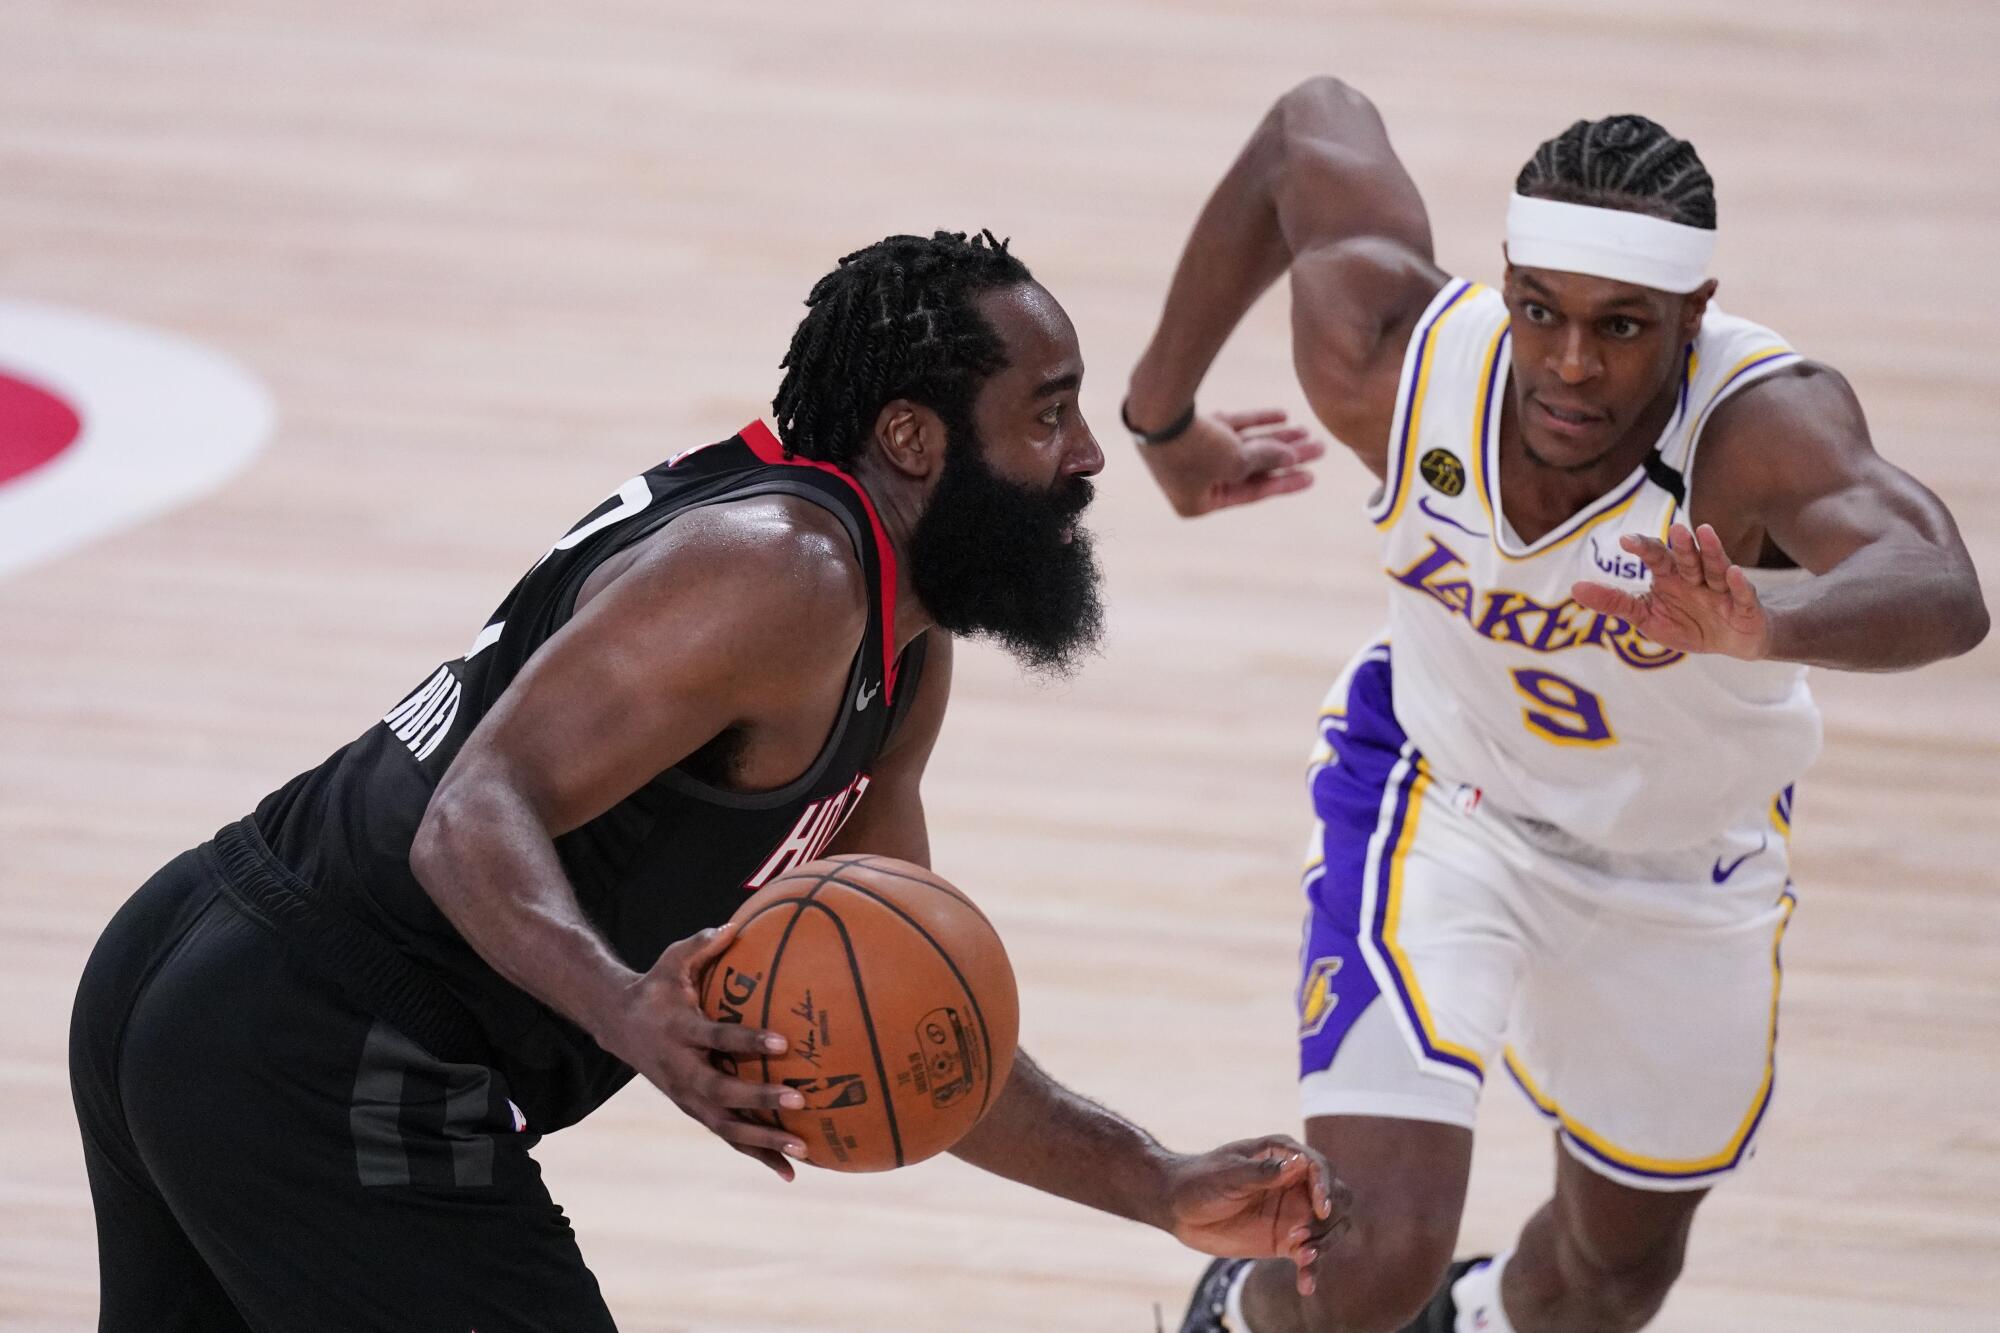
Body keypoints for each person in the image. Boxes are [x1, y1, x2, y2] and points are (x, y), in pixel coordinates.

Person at [69, 230, 1343, 1333]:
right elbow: (470, 815)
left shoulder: (898, 643)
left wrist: (1156, 1180)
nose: (1084, 459)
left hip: (210, 974)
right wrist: (629, 1009)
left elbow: (924, 1023)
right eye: (1046, 412)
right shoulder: (787, 569)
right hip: (319, 1043)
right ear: (912, 434)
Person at [1124, 82, 1989, 1333]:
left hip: (1681, 868)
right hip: (1436, 800)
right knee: (1372, 1251)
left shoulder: (1756, 430)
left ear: (1692, 315)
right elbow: (1304, 135)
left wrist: (1764, 621)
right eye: (1540, 312)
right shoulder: (1394, 361)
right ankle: (1231, 1319)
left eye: (1622, 327)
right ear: (1507, 283)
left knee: (1606, 1282)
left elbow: (1942, 585)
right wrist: (1160, 416)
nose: (1570, 365)